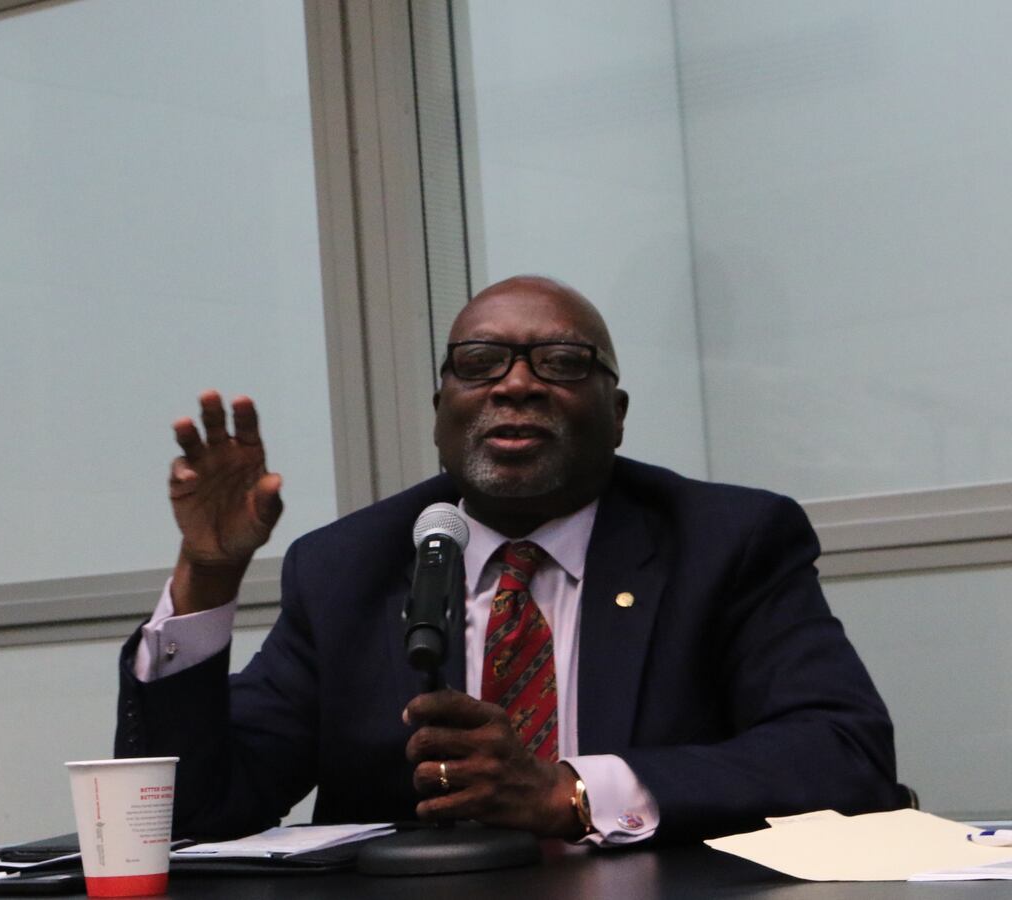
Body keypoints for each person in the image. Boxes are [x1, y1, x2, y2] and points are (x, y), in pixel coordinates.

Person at [116, 275, 908, 844]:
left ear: (618, 415)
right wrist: (208, 576)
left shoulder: (725, 540)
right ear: (440, 414)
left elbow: (842, 751)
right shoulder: (345, 567)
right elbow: (195, 810)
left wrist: (571, 792)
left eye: (562, 363)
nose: (517, 385)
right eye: (479, 362)